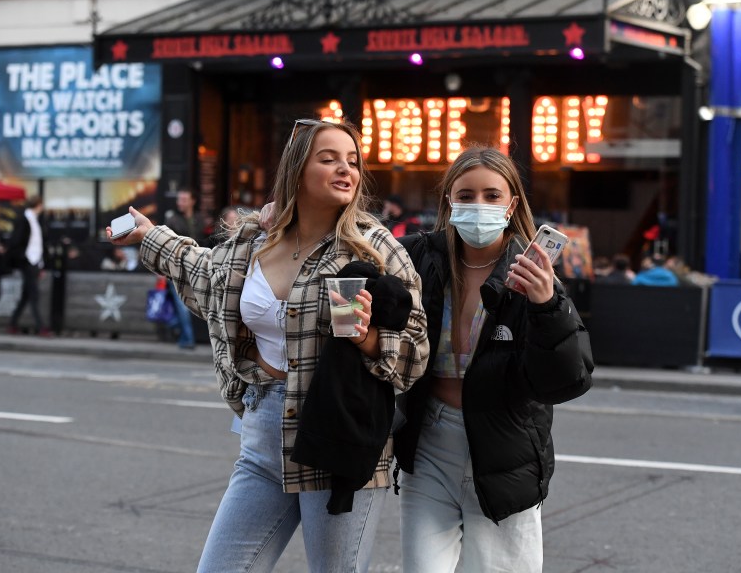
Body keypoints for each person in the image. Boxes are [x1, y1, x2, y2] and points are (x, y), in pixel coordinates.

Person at [107, 118, 429, 573]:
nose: (346, 169)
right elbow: (204, 272)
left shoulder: (374, 248)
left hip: (337, 438)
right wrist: (147, 233)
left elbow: (417, 351)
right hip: (262, 436)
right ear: (297, 169)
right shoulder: (253, 241)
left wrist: (368, 337)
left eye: (353, 161)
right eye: (329, 158)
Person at [393, 147, 594, 572]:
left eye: (491, 195)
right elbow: (355, 247)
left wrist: (546, 304)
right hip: (430, 442)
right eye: (465, 196)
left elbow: (566, 381)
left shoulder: (531, 272)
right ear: (448, 200)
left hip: (505, 449)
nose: (477, 206)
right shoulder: (418, 257)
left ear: (512, 204)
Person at [164, 188, 207, 349]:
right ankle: (188, 337)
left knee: (189, 304)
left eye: (183, 199)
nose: (179, 202)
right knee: (181, 303)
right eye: (179, 199)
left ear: (192, 201)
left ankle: (184, 334)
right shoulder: (172, 220)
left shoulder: (199, 219)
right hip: (176, 268)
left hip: (196, 268)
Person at [8, 195, 50, 336]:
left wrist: (41, 264)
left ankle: (13, 323)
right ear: (38, 205)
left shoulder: (36, 221)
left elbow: (38, 244)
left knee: (27, 295)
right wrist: (23, 258)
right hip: (28, 261)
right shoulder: (24, 219)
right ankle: (41, 327)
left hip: (35, 261)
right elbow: (17, 241)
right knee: (34, 294)